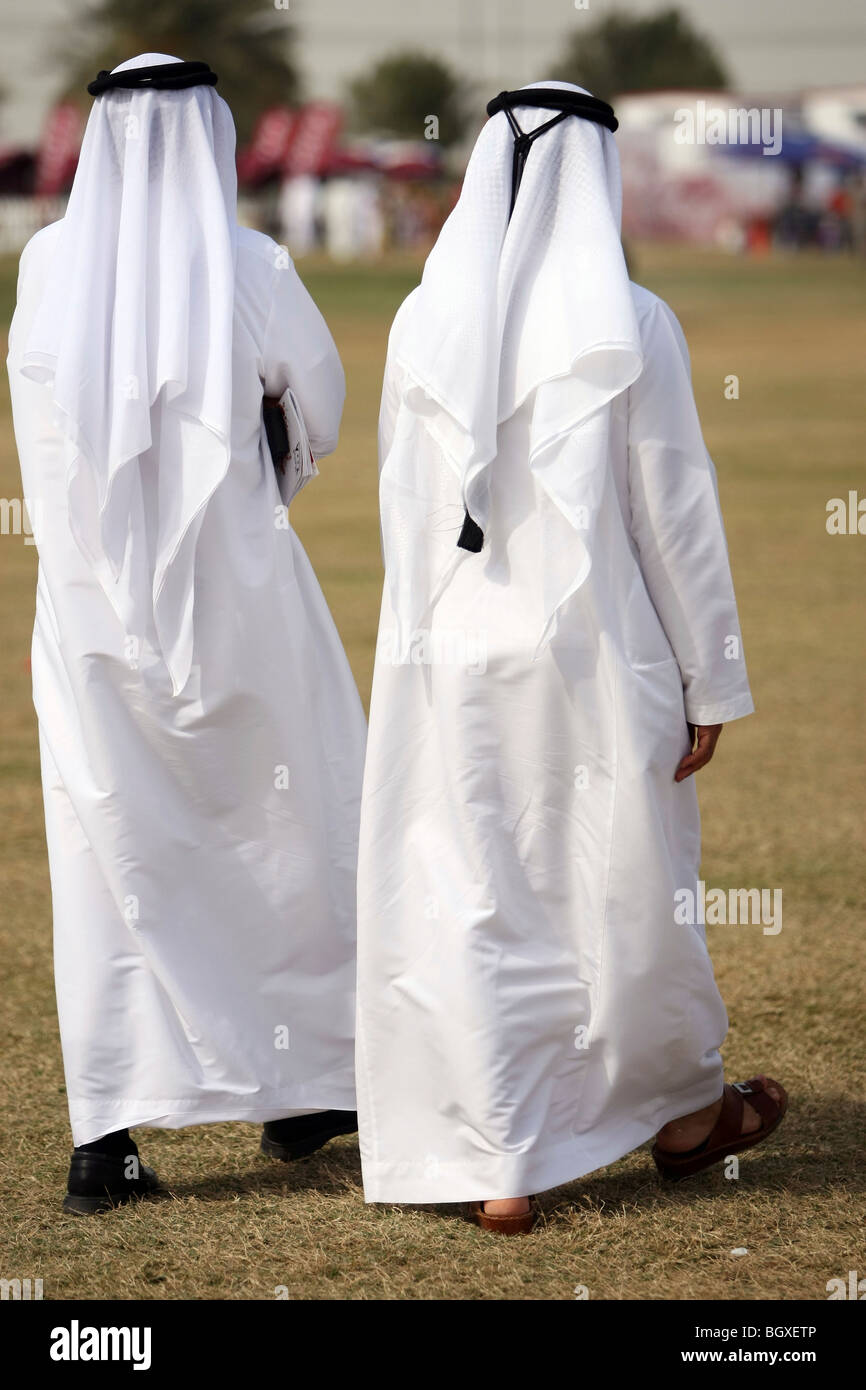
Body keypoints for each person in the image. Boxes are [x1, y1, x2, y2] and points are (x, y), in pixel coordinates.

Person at [355, 82, 786, 1235]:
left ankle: (502, 1162)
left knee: (476, 897)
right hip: (597, 662)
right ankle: (686, 1118)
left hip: (446, 663)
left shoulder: (416, 320)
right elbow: (672, 519)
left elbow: (402, 509)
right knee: (624, 895)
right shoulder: (630, 319)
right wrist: (711, 679)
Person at [7, 54, 366, 1214]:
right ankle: (305, 1084)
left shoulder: (46, 263)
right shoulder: (251, 264)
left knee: (110, 860)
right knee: (286, 828)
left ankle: (109, 1141)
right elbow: (317, 404)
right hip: (241, 607)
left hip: (91, 617)